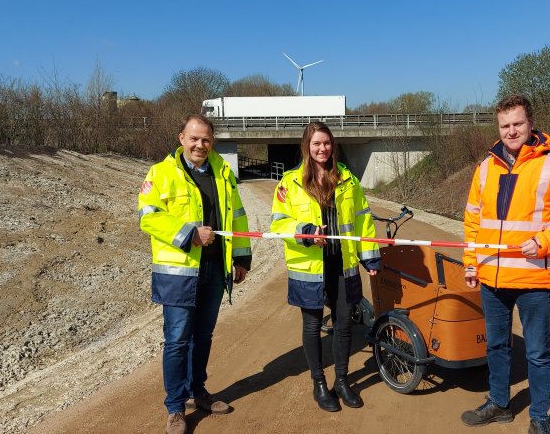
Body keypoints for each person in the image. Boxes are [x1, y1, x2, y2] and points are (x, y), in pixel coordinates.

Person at [460, 95, 550, 433]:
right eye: (504, 125)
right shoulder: (485, 168)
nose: (511, 131)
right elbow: (474, 221)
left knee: (537, 353)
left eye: (517, 123)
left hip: (535, 279)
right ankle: (499, 403)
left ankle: (539, 419)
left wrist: (545, 242)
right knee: (497, 346)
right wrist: (471, 263)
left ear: (530, 123)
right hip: (492, 276)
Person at [137, 114, 252, 434]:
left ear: (211, 142)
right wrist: (189, 234)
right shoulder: (161, 173)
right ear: (181, 139)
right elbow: (148, 216)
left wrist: (241, 257)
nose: (200, 144)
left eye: (206, 139)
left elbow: (238, 217)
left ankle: (198, 392)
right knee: (176, 340)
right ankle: (175, 407)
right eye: (194, 138)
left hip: (215, 268)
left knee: (203, 335)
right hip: (178, 272)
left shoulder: (223, 173)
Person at [270, 121, 380, 412]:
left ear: (333, 145)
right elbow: (278, 223)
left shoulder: (348, 179)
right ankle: (319, 384)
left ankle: (342, 381)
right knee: (312, 325)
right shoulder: (290, 182)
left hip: (342, 263)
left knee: (344, 323)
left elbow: (362, 220)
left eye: (327, 143)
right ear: (307, 146)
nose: (323, 149)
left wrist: (369, 256)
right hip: (309, 265)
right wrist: (305, 231)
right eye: (317, 143)